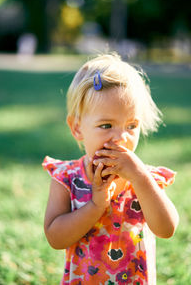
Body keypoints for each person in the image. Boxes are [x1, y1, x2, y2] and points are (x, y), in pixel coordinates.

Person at [42, 53, 179, 285]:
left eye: (131, 125)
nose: (121, 138)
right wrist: (95, 206)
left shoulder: (145, 178)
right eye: (106, 125)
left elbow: (167, 229)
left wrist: (141, 178)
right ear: (77, 128)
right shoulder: (67, 178)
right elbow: (55, 238)